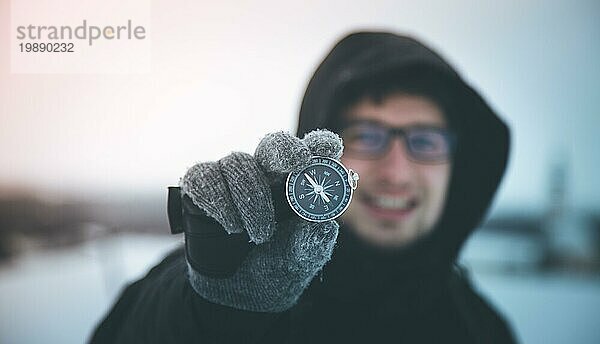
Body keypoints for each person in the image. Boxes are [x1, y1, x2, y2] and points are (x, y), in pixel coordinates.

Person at [90, 31, 516, 343]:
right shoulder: (220, 272)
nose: (397, 172)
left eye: (425, 141)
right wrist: (216, 313)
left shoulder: (483, 330)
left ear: (457, 164)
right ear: (317, 152)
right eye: (367, 137)